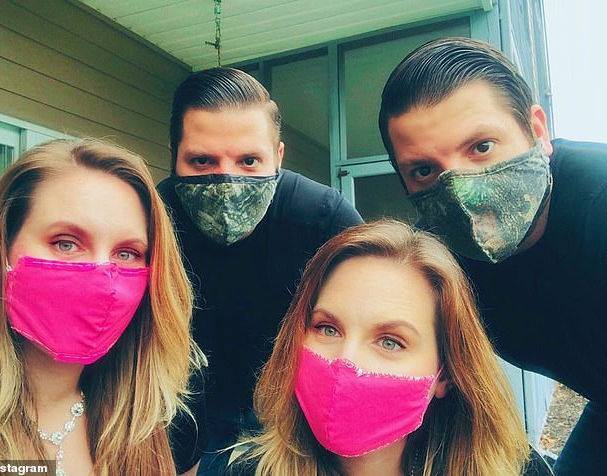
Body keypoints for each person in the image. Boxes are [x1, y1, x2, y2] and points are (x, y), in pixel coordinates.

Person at [379, 37, 607, 475]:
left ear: (537, 131)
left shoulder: (599, 208)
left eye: (481, 147)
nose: (461, 191)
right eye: (424, 170)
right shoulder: (437, 258)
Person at [212, 220, 552, 476]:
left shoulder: (516, 469)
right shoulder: (245, 470)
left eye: (390, 342)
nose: (345, 361)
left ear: (445, 375)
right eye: (327, 328)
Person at [157, 67, 363, 470]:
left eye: (249, 160)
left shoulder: (322, 218)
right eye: (202, 160)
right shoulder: (152, 220)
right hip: (187, 409)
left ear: (278, 157)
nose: (227, 180)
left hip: (292, 411)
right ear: (173, 156)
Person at [0, 139, 205, 475]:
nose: (102, 277)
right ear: (1, 249)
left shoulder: (167, 420)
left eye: (126, 253)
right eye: (66, 243)